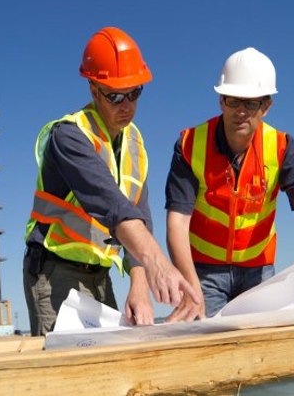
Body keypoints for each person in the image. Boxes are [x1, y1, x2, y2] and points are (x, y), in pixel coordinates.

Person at [165, 47, 294, 321]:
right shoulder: (189, 145)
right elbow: (177, 222)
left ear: (266, 106)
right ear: (221, 100)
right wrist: (189, 286)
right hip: (203, 272)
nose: (241, 112)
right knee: (204, 344)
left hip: (258, 272)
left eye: (251, 103)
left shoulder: (282, 148)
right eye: (234, 101)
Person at [23, 26, 197, 336]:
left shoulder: (135, 143)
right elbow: (113, 206)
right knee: (67, 377)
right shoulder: (69, 137)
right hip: (54, 271)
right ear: (93, 89)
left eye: (134, 93)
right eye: (115, 95)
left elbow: (139, 216)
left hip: (100, 274)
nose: (126, 104)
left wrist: (140, 283)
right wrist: (157, 261)